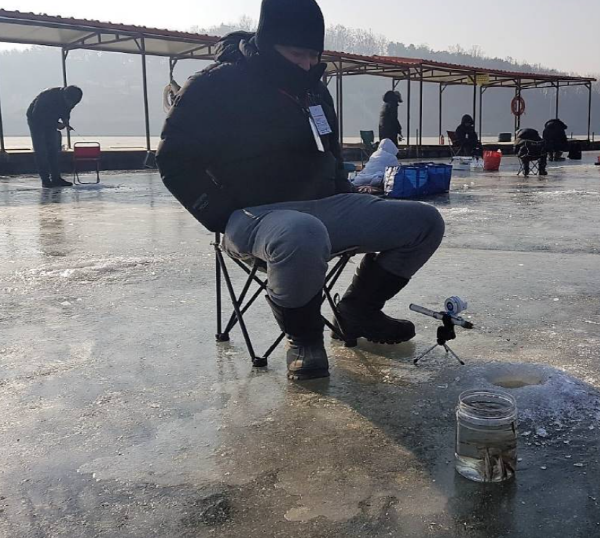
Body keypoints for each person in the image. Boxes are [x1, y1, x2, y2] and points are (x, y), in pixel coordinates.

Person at [157, 0, 445, 382]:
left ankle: (358, 309)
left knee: (424, 221)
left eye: (314, 55)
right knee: (302, 233)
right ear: (266, 43)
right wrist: (219, 214)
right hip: (252, 215)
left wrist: (347, 192)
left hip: (322, 207)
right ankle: (304, 338)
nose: (308, 64)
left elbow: (329, 153)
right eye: (298, 54)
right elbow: (174, 160)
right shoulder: (216, 85)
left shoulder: (313, 91)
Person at [26, 85, 83, 188]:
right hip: (36, 121)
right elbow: (37, 115)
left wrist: (66, 122)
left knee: (54, 150)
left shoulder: (71, 99)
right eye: (70, 103)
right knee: (41, 150)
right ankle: (45, 180)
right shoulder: (47, 96)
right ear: (65, 96)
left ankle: (56, 178)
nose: (71, 105)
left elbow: (66, 112)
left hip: (51, 121)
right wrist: (56, 124)